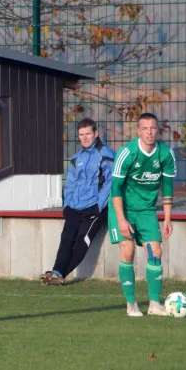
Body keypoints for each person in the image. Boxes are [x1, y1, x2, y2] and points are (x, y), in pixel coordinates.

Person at [108, 112, 176, 317]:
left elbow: (168, 188)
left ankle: (154, 304)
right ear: (138, 131)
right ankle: (131, 305)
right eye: (145, 128)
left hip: (147, 210)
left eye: (153, 128)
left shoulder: (165, 153)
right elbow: (115, 189)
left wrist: (167, 218)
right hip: (123, 209)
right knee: (127, 250)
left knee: (155, 253)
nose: (149, 132)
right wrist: (121, 220)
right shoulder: (127, 153)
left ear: (158, 130)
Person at [41, 118, 115, 286]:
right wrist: (67, 204)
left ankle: (59, 275)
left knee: (81, 242)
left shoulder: (106, 154)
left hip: (95, 209)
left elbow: (111, 182)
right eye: (81, 135)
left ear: (96, 134)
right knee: (66, 238)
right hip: (75, 207)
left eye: (88, 134)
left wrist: (99, 205)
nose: (85, 138)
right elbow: (71, 184)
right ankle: (57, 271)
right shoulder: (76, 158)